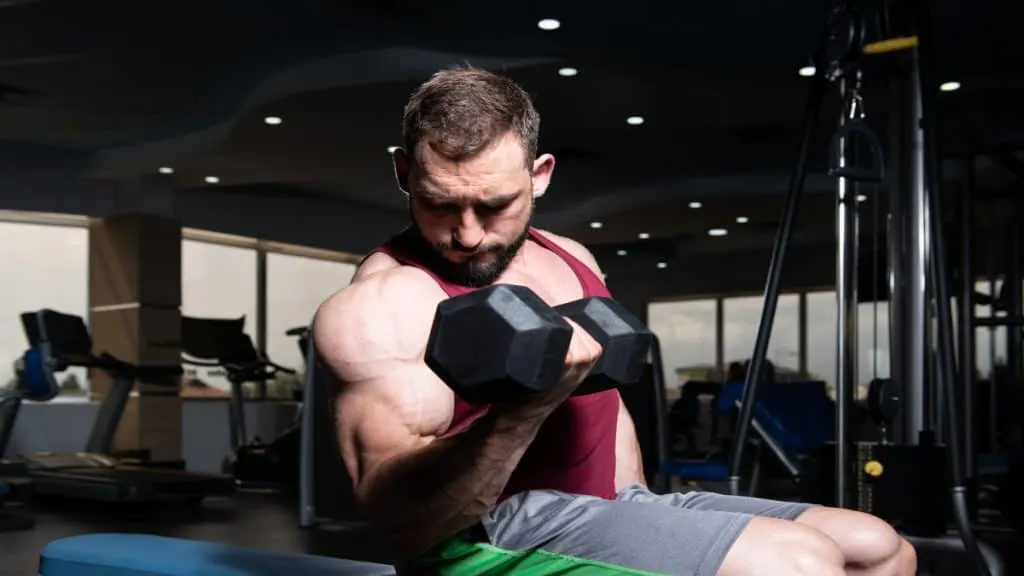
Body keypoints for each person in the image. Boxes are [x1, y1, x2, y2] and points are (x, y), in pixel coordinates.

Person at [313, 66, 917, 576]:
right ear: (403, 175)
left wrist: (641, 508)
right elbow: (402, 527)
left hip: (612, 502)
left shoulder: (573, 258)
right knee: (796, 563)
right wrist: (525, 407)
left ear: (540, 175)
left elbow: (605, 406)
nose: (466, 235)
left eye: (494, 205)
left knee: (880, 550)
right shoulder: (382, 305)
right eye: (439, 203)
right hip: (489, 528)